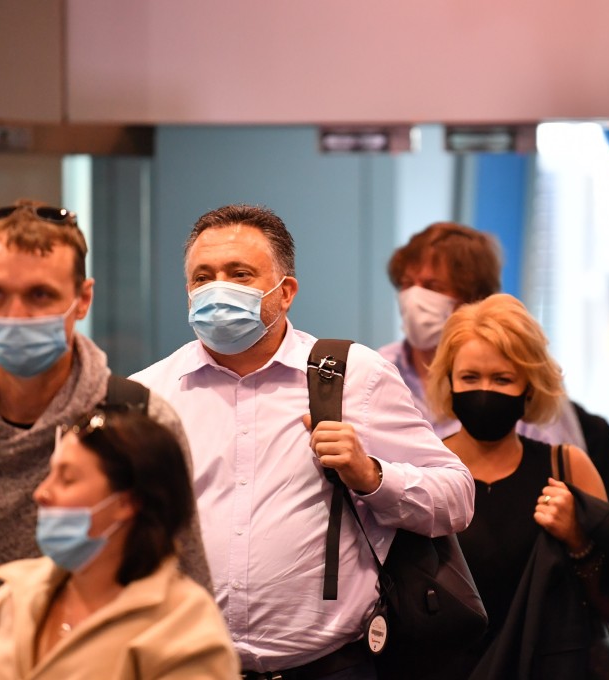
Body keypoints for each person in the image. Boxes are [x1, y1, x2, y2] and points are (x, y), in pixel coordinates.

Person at [130, 204, 474, 679]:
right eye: (202, 277)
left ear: (285, 291)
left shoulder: (353, 377)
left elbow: (456, 497)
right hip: (187, 665)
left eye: (240, 273)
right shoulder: (150, 395)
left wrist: (371, 476)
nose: (217, 289)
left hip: (328, 667)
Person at [0, 200, 211, 680]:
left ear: (83, 298)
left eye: (39, 295)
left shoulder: (138, 423)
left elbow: (186, 594)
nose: (15, 316)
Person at [425, 294, 609, 678]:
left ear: (529, 388)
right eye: (470, 377)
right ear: (449, 382)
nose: (485, 390)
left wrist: (578, 540)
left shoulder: (567, 467)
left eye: (502, 378)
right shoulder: (424, 468)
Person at [0, 406, 239, 679]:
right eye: (49, 474)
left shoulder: (182, 626)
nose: (41, 493)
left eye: (66, 479)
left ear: (127, 502)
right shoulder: (15, 595)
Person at [380, 222, 609, 512]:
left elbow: (565, 493)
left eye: (432, 286)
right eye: (406, 284)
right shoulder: (379, 372)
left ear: (471, 297)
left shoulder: (522, 370)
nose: (413, 298)